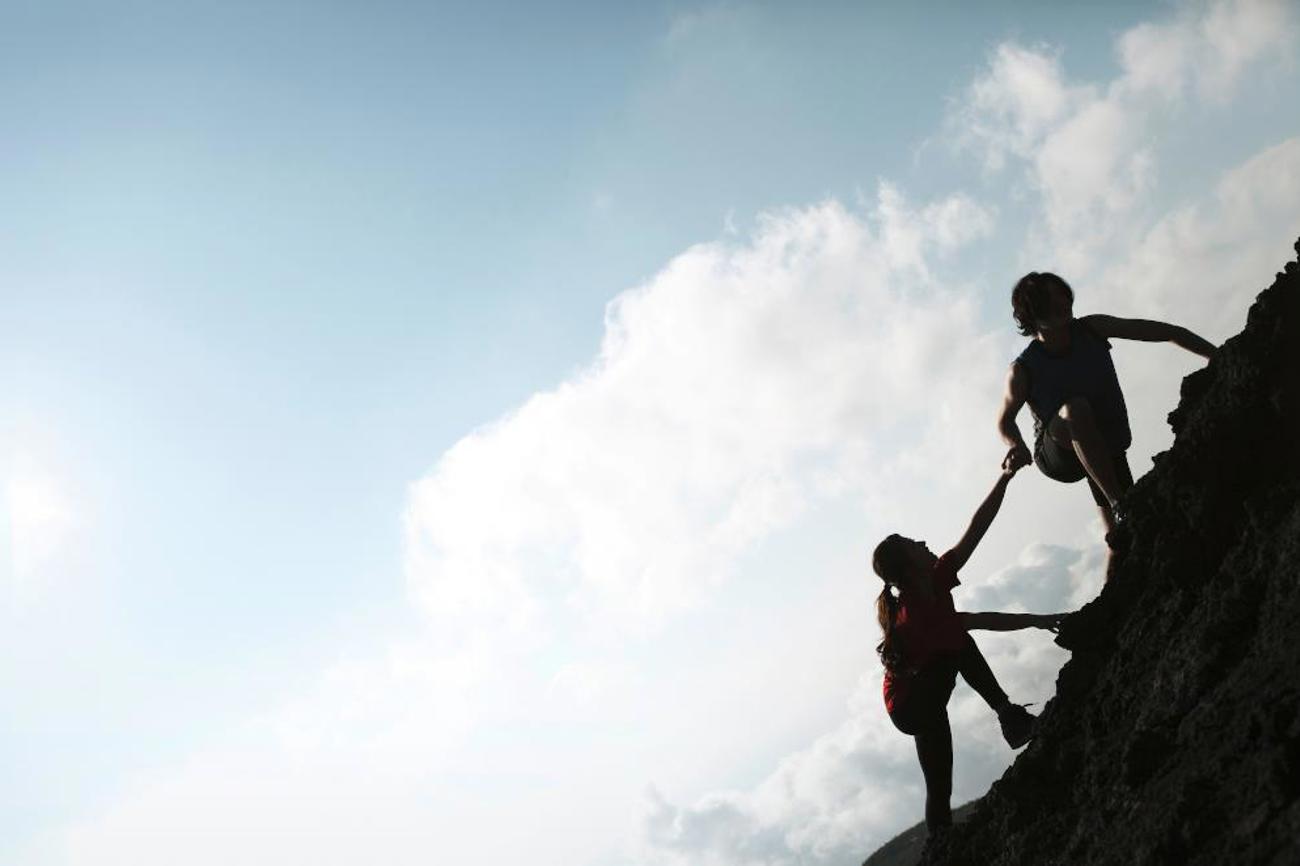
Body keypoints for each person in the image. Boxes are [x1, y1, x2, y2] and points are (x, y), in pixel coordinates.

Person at [873, 465, 1064, 837]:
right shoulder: (918, 610)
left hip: (914, 701)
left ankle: (941, 842)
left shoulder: (930, 586)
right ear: (910, 567)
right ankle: (1010, 716)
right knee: (961, 647)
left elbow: (977, 529)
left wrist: (1006, 477)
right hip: (912, 702)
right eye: (916, 545)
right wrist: (1037, 619)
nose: (925, 544)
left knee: (939, 783)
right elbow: (976, 622)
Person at [997, 273, 1215, 559]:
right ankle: (1119, 504)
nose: (1061, 302)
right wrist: (1016, 445)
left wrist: (1218, 355)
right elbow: (1004, 420)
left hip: (1105, 445)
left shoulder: (1093, 328)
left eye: (1062, 294)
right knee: (1076, 410)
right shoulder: (1023, 369)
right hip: (1058, 455)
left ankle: (1116, 549)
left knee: (1122, 543)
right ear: (1032, 314)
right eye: (1049, 300)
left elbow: (1167, 332)